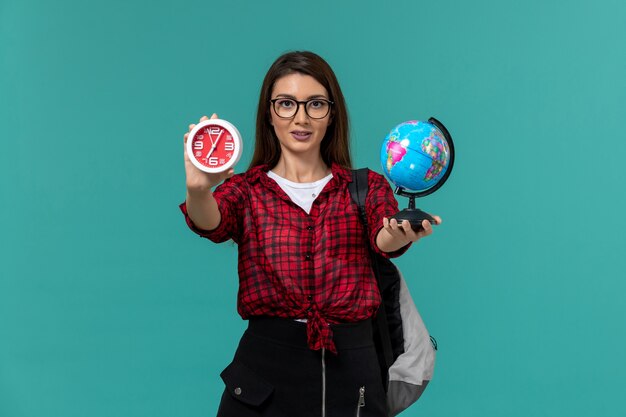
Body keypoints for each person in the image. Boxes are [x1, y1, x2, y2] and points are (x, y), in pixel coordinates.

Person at [180, 51, 441, 417]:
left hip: (352, 376)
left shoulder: (365, 187)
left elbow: (384, 236)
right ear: (269, 113)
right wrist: (198, 189)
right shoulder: (246, 190)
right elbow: (211, 222)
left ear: (331, 113)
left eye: (315, 104)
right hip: (264, 375)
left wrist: (399, 234)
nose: (300, 117)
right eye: (286, 103)